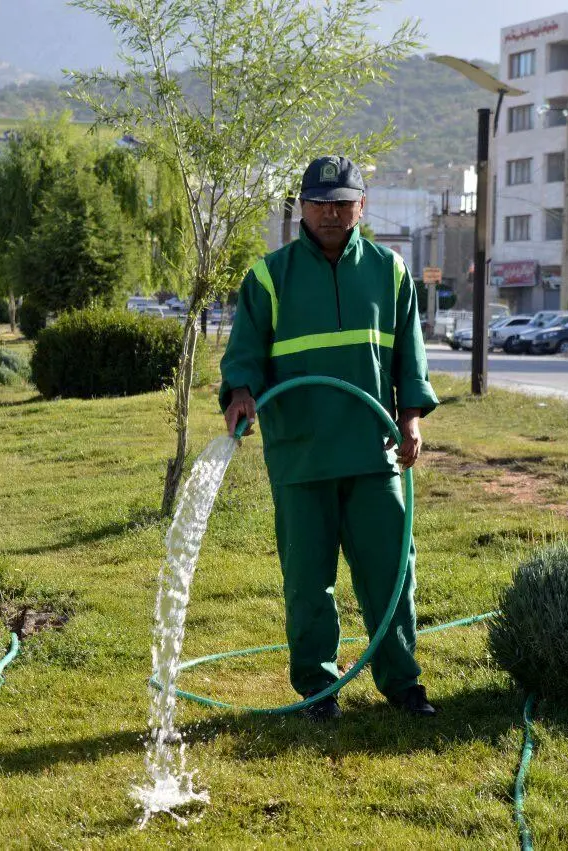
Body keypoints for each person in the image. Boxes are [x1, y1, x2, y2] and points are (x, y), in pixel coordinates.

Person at [219, 155, 439, 721]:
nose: (332, 213)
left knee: (391, 572)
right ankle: (318, 690)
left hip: (373, 452)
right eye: (320, 203)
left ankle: (403, 684)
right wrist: (241, 394)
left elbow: (409, 359)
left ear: (361, 206)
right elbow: (243, 354)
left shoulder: (389, 272)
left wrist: (411, 418)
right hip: (301, 454)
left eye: (343, 203)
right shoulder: (269, 276)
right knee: (308, 582)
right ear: (302, 209)